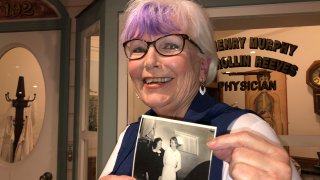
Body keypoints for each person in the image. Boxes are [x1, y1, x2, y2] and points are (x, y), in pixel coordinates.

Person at [99, 0, 300, 179]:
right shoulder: (130, 134)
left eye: (169, 45)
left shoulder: (245, 130)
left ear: (202, 67)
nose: (149, 61)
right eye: (138, 49)